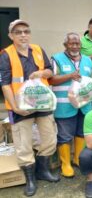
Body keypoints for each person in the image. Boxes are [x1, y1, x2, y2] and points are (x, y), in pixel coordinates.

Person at [0, 20, 59, 196]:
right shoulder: (5, 55)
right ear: (11, 36)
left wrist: (41, 73)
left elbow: (50, 72)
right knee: (23, 144)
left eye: (26, 31)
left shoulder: (38, 50)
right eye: (18, 32)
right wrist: (16, 107)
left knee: (49, 139)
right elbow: (4, 84)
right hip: (20, 108)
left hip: (42, 104)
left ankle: (43, 171)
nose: (23, 34)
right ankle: (30, 179)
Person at [49, 32, 92, 178]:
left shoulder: (88, 60)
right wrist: (70, 76)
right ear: (65, 45)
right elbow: (51, 79)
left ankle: (77, 159)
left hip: (84, 104)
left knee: (81, 132)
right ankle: (66, 164)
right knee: (65, 135)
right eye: (71, 43)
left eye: (77, 43)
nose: (75, 46)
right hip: (64, 105)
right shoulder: (57, 58)